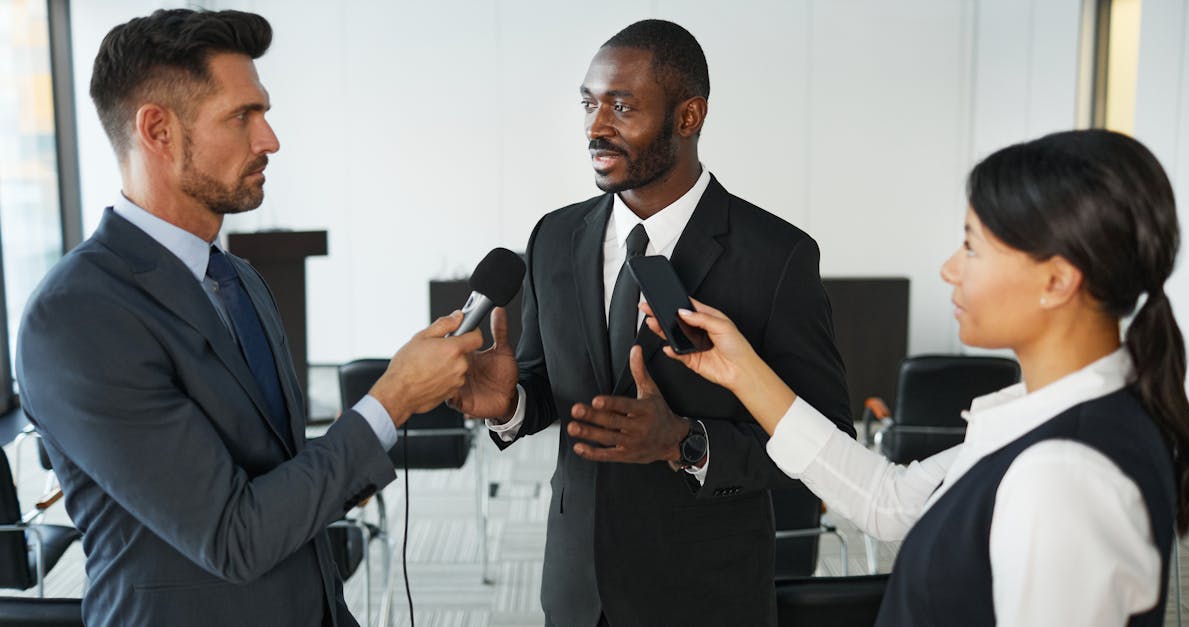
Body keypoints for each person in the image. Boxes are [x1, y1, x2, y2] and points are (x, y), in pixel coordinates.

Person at [15, 9, 482, 627]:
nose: (270, 139)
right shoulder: (75, 317)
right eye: (243, 116)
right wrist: (390, 398)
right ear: (157, 130)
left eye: (263, 112)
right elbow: (234, 537)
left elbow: (278, 476)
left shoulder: (238, 280)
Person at [644, 129, 1189, 626]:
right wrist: (743, 372)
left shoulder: (1062, 474)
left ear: (1057, 281)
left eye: (972, 246)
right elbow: (888, 502)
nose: (949, 269)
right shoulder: (1062, 415)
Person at [451, 19, 853, 626]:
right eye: (589, 103)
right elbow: (543, 387)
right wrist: (508, 403)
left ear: (688, 117)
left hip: (703, 593)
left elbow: (826, 441)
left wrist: (683, 442)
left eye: (621, 106)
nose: (596, 126)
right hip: (576, 587)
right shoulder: (554, 237)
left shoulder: (777, 256)